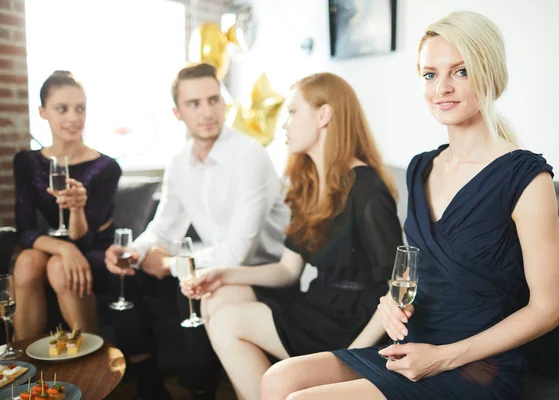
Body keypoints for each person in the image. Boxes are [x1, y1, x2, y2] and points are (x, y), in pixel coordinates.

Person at [260, 11, 559, 400]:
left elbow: (548, 309)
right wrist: (388, 306)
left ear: (489, 74)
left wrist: (443, 357)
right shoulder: (420, 168)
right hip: (410, 348)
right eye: (429, 74)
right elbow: (412, 276)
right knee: (278, 379)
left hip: (475, 367)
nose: (443, 88)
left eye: (460, 71)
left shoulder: (527, 177)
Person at [181, 72, 404, 400]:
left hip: (354, 321)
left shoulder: (367, 187)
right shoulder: (311, 185)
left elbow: (396, 287)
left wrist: (355, 353)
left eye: (292, 112)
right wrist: (222, 274)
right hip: (317, 305)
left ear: (324, 115)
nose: (284, 124)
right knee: (222, 294)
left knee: (228, 322)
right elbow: (288, 270)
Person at [103, 63, 289, 400]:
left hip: (263, 274)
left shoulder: (250, 157)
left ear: (223, 103)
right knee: (127, 278)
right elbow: (164, 224)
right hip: (213, 265)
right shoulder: (179, 163)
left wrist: (171, 264)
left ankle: (201, 390)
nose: (207, 112)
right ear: (177, 112)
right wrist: (136, 252)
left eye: (213, 100)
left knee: (194, 287)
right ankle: (150, 385)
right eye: (194, 104)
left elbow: (238, 252)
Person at [13, 70, 121, 339]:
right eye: (62, 109)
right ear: (43, 112)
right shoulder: (27, 162)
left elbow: (85, 242)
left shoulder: (106, 167)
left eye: (80, 108)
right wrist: (63, 248)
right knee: (27, 261)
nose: (74, 118)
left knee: (59, 267)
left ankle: (93, 363)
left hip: (96, 249)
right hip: (58, 245)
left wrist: (76, 210)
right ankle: (23, 365)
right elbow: (24, 231)